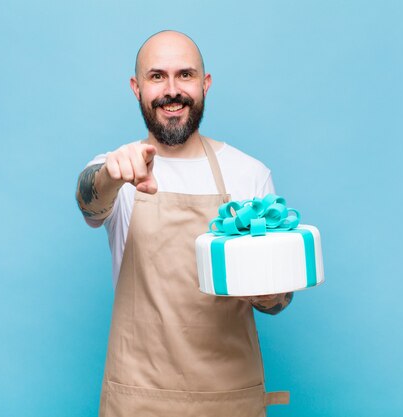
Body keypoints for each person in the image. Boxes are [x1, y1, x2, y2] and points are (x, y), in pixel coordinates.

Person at [76, 30, 293, 417]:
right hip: (138, 400)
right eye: (157, 76)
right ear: (136, 87)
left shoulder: (249, 174)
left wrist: (266, 289)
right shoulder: (116, 170)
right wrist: (111, 174)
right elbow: (88, 204)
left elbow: (278, 303)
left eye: (185, 75)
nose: (172, 90)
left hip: (230, 400)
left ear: (205, 84)